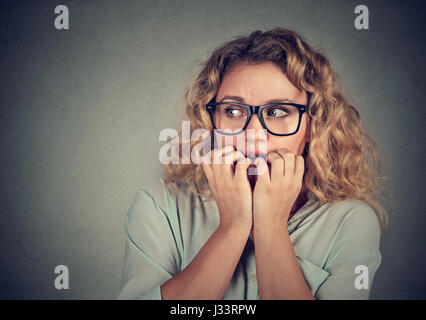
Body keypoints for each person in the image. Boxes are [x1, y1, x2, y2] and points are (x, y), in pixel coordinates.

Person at [117, 28, 388, 300]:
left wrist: (270, 228)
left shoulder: (351, 221)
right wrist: (233, 227)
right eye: (233, 111)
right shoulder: (160, 204)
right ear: (212, 122)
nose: (253, 134)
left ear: (312, 126)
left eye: (278, 111)